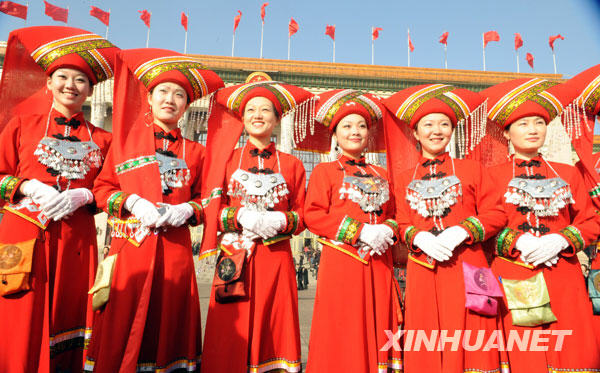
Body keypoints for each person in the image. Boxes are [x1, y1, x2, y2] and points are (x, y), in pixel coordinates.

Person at [84, 48, 223, 372]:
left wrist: (186, 211)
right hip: (131, 247)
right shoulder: (125, 143)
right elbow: (102, 190)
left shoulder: (198, 152)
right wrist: (132, 202)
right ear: (149, 98)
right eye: (162, 92)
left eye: (179, 95)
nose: (170, 99)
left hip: (175, 251)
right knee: (122, 322)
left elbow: (209, 200)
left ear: (187, 105)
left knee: (169, 321)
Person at [0, 26, 117, 372]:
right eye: (62, 77)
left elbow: (110, 189)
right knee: (20, 312)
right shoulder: (22, 123)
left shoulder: (104, 138)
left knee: (69, 314)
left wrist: (85, 194)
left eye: (81, 80)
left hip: (75, 240)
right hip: (24, 236)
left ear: (91, 90)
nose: (71, 85)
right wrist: (26, 187)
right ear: (48, 83)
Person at [383, 84, 507, 372]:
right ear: (415, 133)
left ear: (452, 131)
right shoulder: (403, 178)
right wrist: (417, 236)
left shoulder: (473, 169)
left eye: (444, 124)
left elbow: (496, 213)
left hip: (472, 264)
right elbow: (401, 221)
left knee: (478, 331)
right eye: (428, 125)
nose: (436, 131)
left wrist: (464, 230)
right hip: (425, 267)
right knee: (428, 334)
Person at [480, 78, 600, 371]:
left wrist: (561, 240)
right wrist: (517, 241)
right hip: (514, 274)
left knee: (571, 350)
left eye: (539, 123)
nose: (533, 130)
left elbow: (591, 219)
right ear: (506, 132)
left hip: (563, 272)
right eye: (523, 124)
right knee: (525, 351)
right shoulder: (490, 175)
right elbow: (483, 226)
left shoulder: (568, 172)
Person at [199, 81, 314, 372]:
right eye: (251, 110)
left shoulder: (292, 164)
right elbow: (211, 205)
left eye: (266, 110)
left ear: (277, 119)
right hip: (235, 253)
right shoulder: (225, 161)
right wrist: (237, 218)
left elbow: (304, 215)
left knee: (273, 323)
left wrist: (281, 221)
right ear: (242, 117)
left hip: (275, 258)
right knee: (229, 322)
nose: (258, 115)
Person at [303, 89, 403, 372]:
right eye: (347, 126)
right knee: (342, 324)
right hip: (342, 261)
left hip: (379, 262)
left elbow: (395, 215)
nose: (355, 132)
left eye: (361, 126)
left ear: (369, 134)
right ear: (335, 134)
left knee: (379, 322)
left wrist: (387, 230)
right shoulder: (325, 171)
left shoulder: (382, 173)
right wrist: (358, 232)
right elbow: (313, 215)